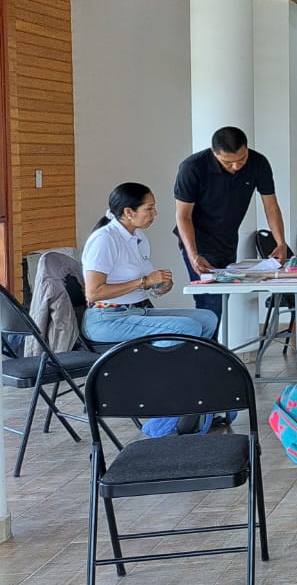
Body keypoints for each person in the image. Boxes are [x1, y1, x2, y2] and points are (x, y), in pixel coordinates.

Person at [82, 182, 220, 437]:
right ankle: (169, 405)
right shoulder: (104, 240)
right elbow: (94, 292)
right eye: (150, 208)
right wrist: (146, 282)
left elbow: (142, 284)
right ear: (128, 212)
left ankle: (196, 393)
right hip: (107, 319)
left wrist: (159, 286)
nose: (155, 214)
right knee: (186, 327)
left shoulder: (137, 237)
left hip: (136, 311)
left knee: (207, 318)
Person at [173, 127, 289, 320]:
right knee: (210, 304)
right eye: (227, 162)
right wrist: (193, 255)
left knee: (221, 301)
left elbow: (271, 207)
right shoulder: (192, 168)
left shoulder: (258, 163)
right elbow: (183, 216)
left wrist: (281, 243)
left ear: (247, 149)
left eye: (241, 160)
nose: (236, 167)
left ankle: (213, 349)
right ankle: (204, 350)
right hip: (199, 243)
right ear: (213, 152)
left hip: (227, 240)